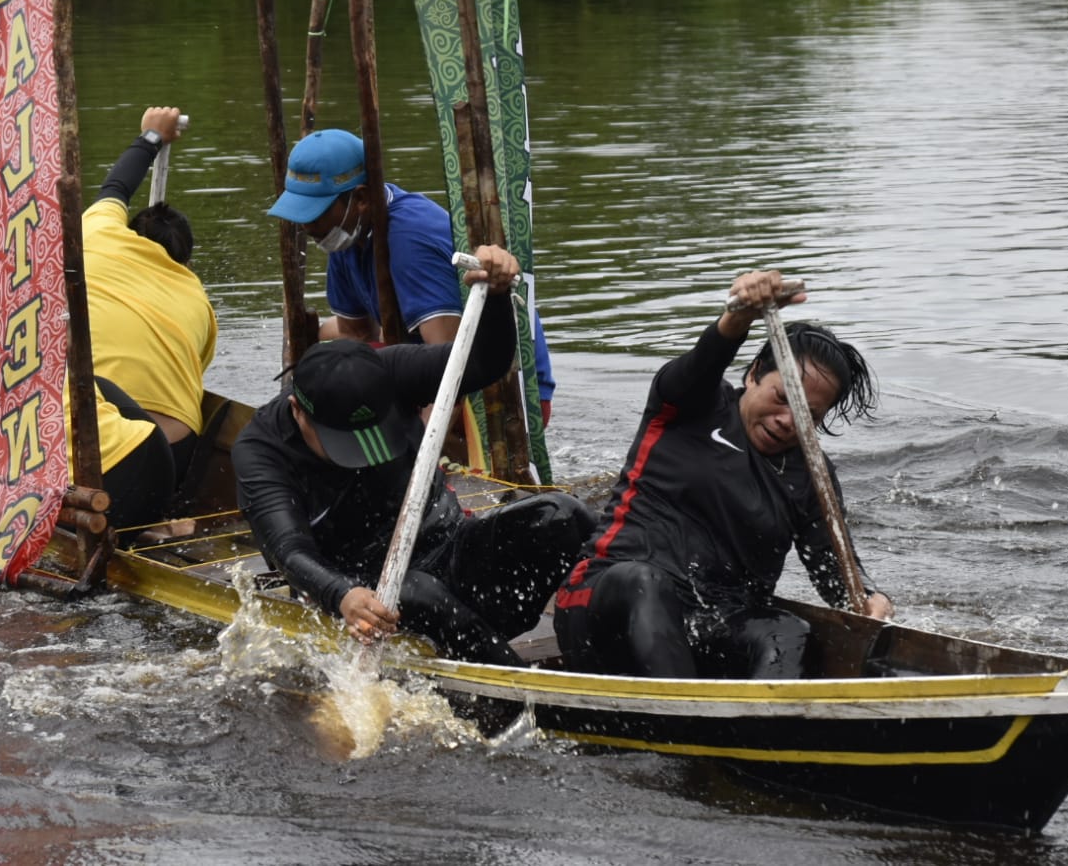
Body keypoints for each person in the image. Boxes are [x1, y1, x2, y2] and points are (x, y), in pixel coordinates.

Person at [231, 244, 593, 669]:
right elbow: (290, 551)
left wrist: (495, 297)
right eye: (342, 441)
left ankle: (590, 646)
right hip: (365, 588)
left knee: (562, 515)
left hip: (446, 543)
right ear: (298, 410)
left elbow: (482, 362)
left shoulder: (390, 369)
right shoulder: (260, 451)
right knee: (418, 592)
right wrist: (342, 595)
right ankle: (509, 676)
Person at [553, 270, 892, 682]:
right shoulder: (690, 405)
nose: (789, 421)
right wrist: (738, 317)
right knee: (647, 582)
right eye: (781, 398)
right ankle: (684, 723)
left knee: (788, 630)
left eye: (809, 416)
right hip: (603, 603)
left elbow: (834, 572)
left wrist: (871, 598)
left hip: (707, 626)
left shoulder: (812, 476)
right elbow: (704, 361)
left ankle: (763, 729)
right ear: (752, 375)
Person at [266, 128, 555, 425]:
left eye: (315, 212)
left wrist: (416, 452)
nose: (305, 226)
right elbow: (357, 334)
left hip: (496, 390)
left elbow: (454, 369)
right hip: (428, 366)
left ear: (361, 198)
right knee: (339, 364)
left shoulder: (409, 240)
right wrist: (309, 341)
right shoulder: (344, 234)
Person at [0, 255, 176, 539]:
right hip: (155, 463)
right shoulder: (32, 330)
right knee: (97, 386)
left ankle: (133, 531)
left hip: (90, 498)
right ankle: (153, 525)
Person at [83, 106, 218, 484]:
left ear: (130, 232)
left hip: (105, 444)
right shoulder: (197, 298)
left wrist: (151, 136)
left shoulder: (99, 234)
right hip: (171, 453)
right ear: (185, 261)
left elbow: (116, 187)